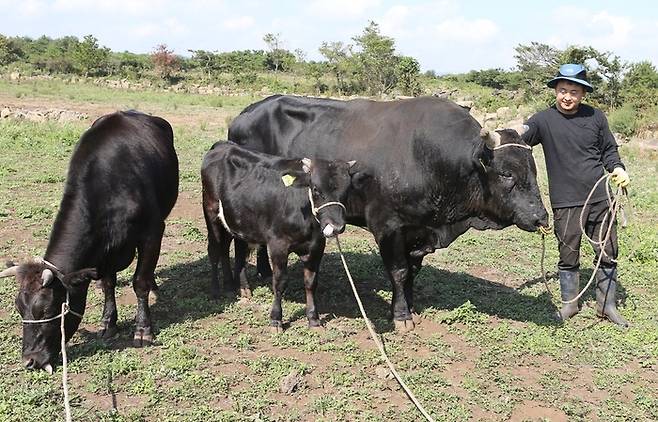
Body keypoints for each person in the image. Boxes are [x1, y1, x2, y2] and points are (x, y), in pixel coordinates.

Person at [522, 63, 630, 327]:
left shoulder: (595, 117)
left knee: (608, 251)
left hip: (601, 198)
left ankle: (607, 306)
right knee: (568, 253)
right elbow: (519, 139)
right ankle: (570, 304)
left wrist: (617, 168)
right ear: (555, 91)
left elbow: (609, 150)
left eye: (573, 91)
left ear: (583, 94)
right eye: (562, 90)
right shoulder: (542, 121)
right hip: (566, 201)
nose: (567, 97)